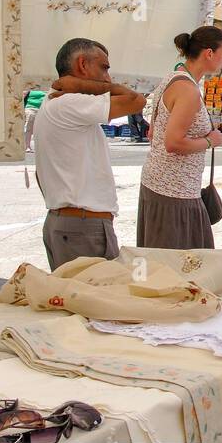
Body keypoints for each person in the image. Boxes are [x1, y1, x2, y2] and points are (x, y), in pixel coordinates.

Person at [35, 38, 146, 270]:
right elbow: (136, 101)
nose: (108, 77)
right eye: (104, 67)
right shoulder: (69, 102)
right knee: (97, 300)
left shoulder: (54, 102)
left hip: (71, 223)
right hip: (81, 226)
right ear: (83, 65)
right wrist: (84, 86)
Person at [137, 27, 222, 249]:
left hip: (162, 184)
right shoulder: (187, 90)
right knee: (179, 265)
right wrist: (210, 141)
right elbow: (173, 142)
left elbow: (155, 130)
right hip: (174, 191)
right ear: (209, 53)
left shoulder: (175, 75)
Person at [22, 87, 46, 152]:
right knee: (28, 128)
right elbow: (22, 96)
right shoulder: (29, 86)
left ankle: (41, 147)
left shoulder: (47, 85)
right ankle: (27, 146)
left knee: (42, 129)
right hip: (30, 108)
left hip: (44, 109)